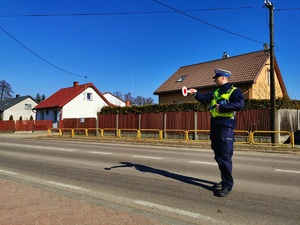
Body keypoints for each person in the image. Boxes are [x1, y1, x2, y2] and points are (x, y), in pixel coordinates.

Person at [188, 68, 244, 197]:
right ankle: (224, 180)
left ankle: (227, 185)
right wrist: (195, 93)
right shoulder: (216, 92)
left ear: (223, 78)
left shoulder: (234, 92)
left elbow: (240, 105)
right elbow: (203, 99)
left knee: (225, 156)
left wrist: (223, 107)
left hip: (226, 126)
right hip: (215, 126)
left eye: (216, 78)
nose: (214, 80)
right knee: (218, 156)